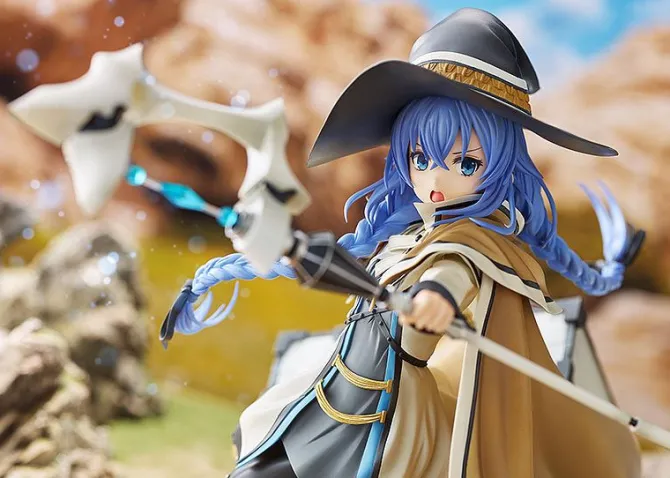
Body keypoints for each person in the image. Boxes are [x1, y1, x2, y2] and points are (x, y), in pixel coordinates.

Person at [169, 8, 643, 478]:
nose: (435, 179)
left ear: (500, 164)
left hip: (396, 409)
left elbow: (454, 270)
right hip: (340, 384)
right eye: (420, 158)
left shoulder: (474, 240)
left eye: (466, 163)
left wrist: (437, 296)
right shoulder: (409, 233)